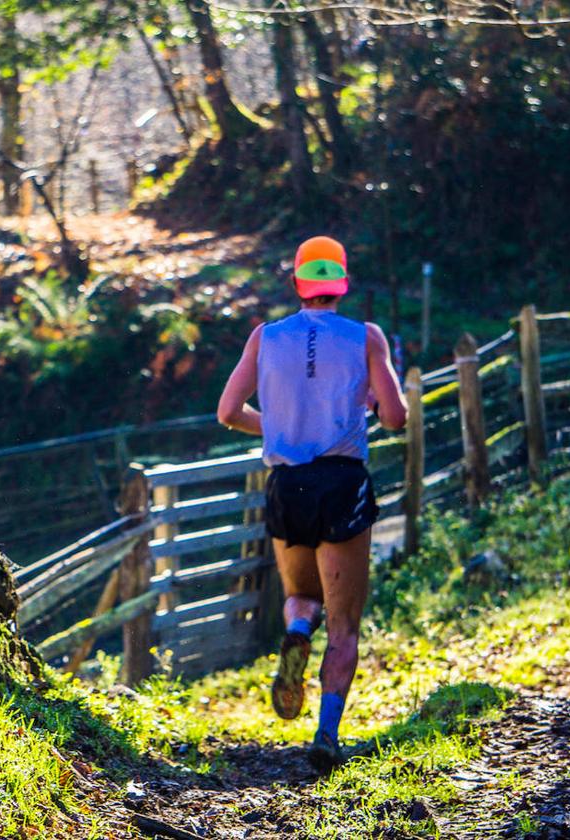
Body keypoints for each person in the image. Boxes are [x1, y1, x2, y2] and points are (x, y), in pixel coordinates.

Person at [216, 235, 407, 771]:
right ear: (341, 284)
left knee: (301, 595)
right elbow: (396, 418)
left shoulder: (265, 337)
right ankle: (326, 732)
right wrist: (369, 402)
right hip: (341, 483)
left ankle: (297, 631)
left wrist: (276, 425)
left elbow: (228, 411)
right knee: (344, 625)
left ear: (299, 284)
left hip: (286, 484)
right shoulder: (366, 337)